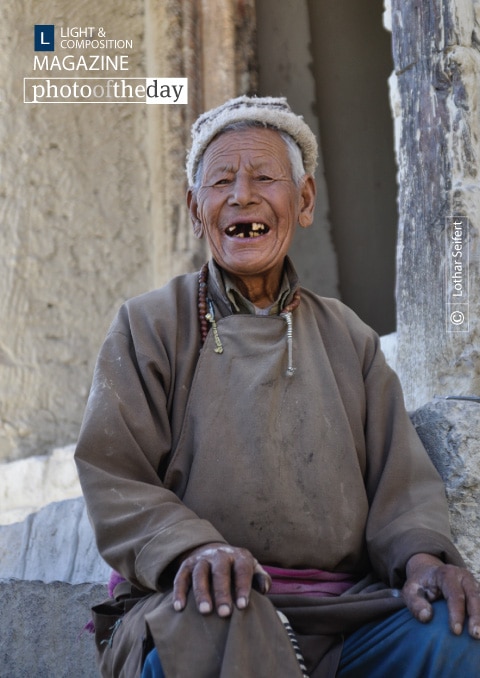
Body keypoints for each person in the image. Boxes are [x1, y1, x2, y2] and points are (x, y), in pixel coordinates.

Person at [75, 95, 480, 678]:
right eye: (221, 181)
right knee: (206, 638)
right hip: (204, 607)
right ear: (196, 210)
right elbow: (116, 479)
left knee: (454, 637)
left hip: (346, 614)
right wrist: (195, 549)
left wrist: (423, 559)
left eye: (265, 177)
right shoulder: (148, 326)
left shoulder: (349, 337)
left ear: (305, 201)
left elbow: (402, 484)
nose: (242, 195)